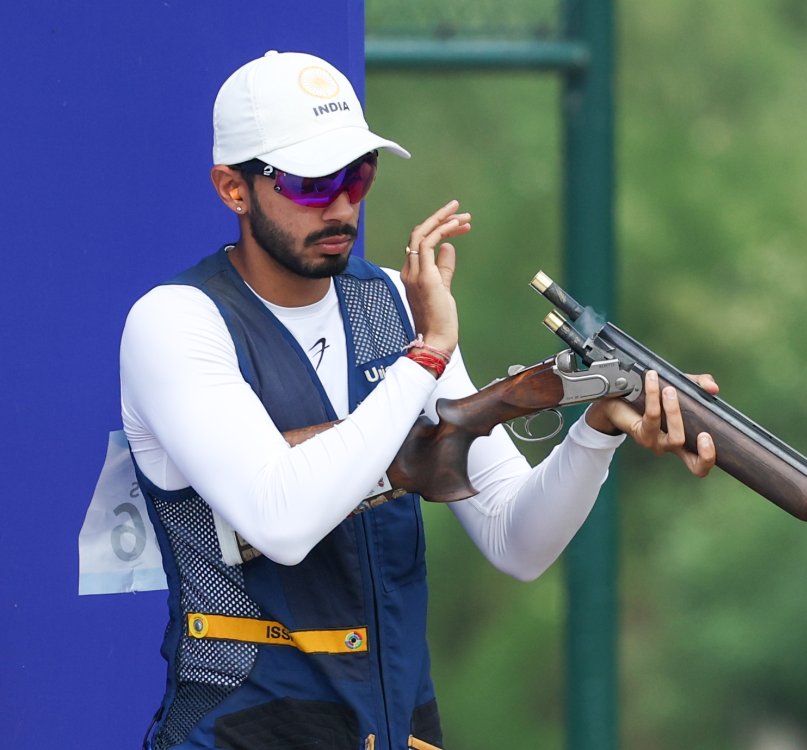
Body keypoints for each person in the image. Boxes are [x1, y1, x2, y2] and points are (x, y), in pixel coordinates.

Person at [120, 50, 717, 750]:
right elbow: (279, 519)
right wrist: (427, 353)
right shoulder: (175, 321)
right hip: (247, 733)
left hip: (401, 730)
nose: (343, 202)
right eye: (313, 182)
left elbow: (516, 540)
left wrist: (596, 430)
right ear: (234, 188)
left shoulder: (394, 310)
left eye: (359, 173)